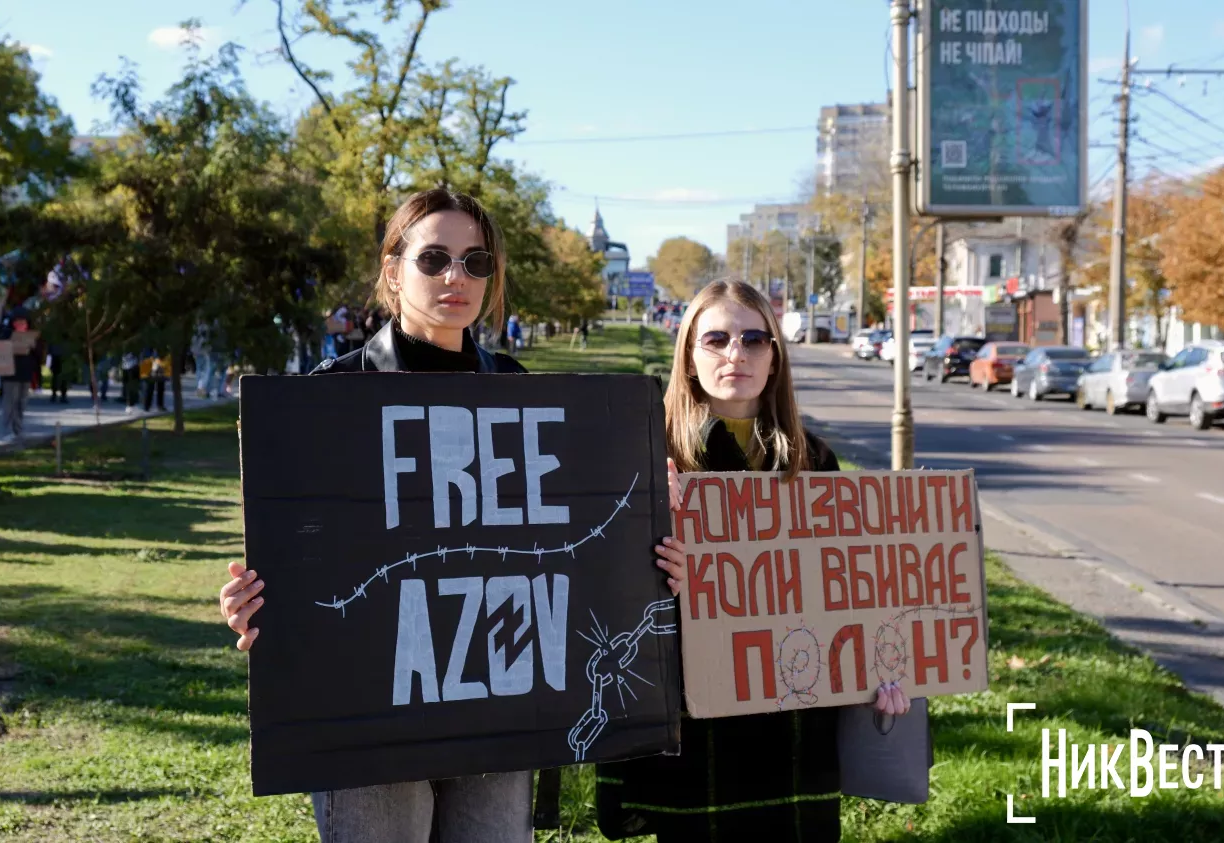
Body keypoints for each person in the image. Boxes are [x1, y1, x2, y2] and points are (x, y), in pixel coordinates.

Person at [217, 188, 531, 843]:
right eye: (435, 257)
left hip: (493, 698)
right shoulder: (329, 397)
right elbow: (296, 545)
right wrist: (254, 600)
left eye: (477, 263)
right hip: (366, 707)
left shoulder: (518, 391)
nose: (456, 277)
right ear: (393, 270)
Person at [594, 279, 912, 843]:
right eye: (715, 338)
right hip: (697, 725)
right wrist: (655, 557)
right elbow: (602, 598)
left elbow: (841, 588)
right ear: (689, 356)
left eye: (754, 339)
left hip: (794, 726)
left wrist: (880, 669)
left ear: (775, 357)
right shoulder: (646, 455)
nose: (736, 354)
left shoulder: (813, 459)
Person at [0, 310, 40, 440]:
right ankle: (8, 430)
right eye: (18, 322)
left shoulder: (31, 336)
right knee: (10, 402)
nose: (21, 324)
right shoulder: (6, 334)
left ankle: (18, 429)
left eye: (24, 322)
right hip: (10, 375)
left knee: (22, 403)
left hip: (25, 374)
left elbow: (37, 357)